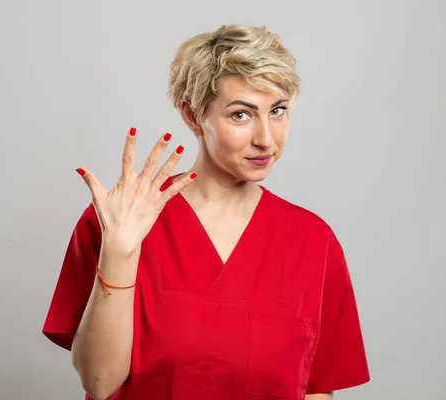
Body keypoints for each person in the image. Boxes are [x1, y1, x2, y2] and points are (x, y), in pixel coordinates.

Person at [42, 24, 370, 400]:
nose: (267, 138)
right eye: (241, 115)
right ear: (193, 115)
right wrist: (119, 250)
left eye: (277, 110)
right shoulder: (124, 219)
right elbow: (100, 382)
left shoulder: (313, 241)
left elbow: (315, 389)